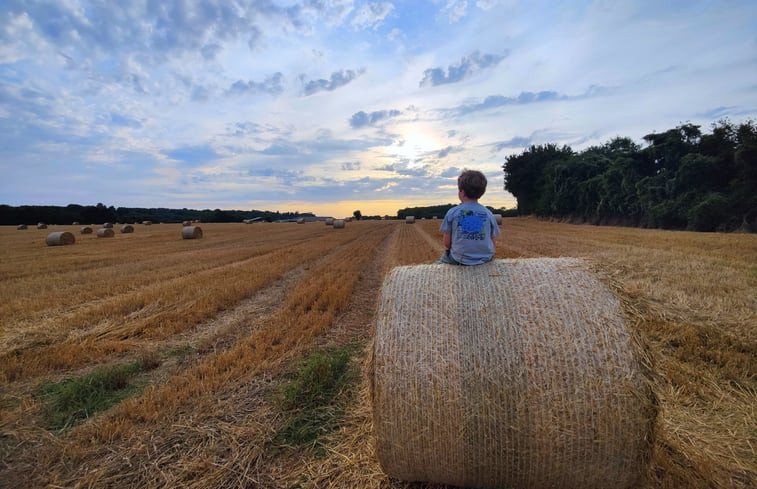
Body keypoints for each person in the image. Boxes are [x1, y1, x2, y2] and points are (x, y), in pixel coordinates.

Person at [437, 169, 499, 265]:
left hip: (459, 259)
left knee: (439, 264)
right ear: (481, 192)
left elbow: (447, 243)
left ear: (462, 192)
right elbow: (493, 242)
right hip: (486, 259)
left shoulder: (452, 212)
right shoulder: (489, 213)